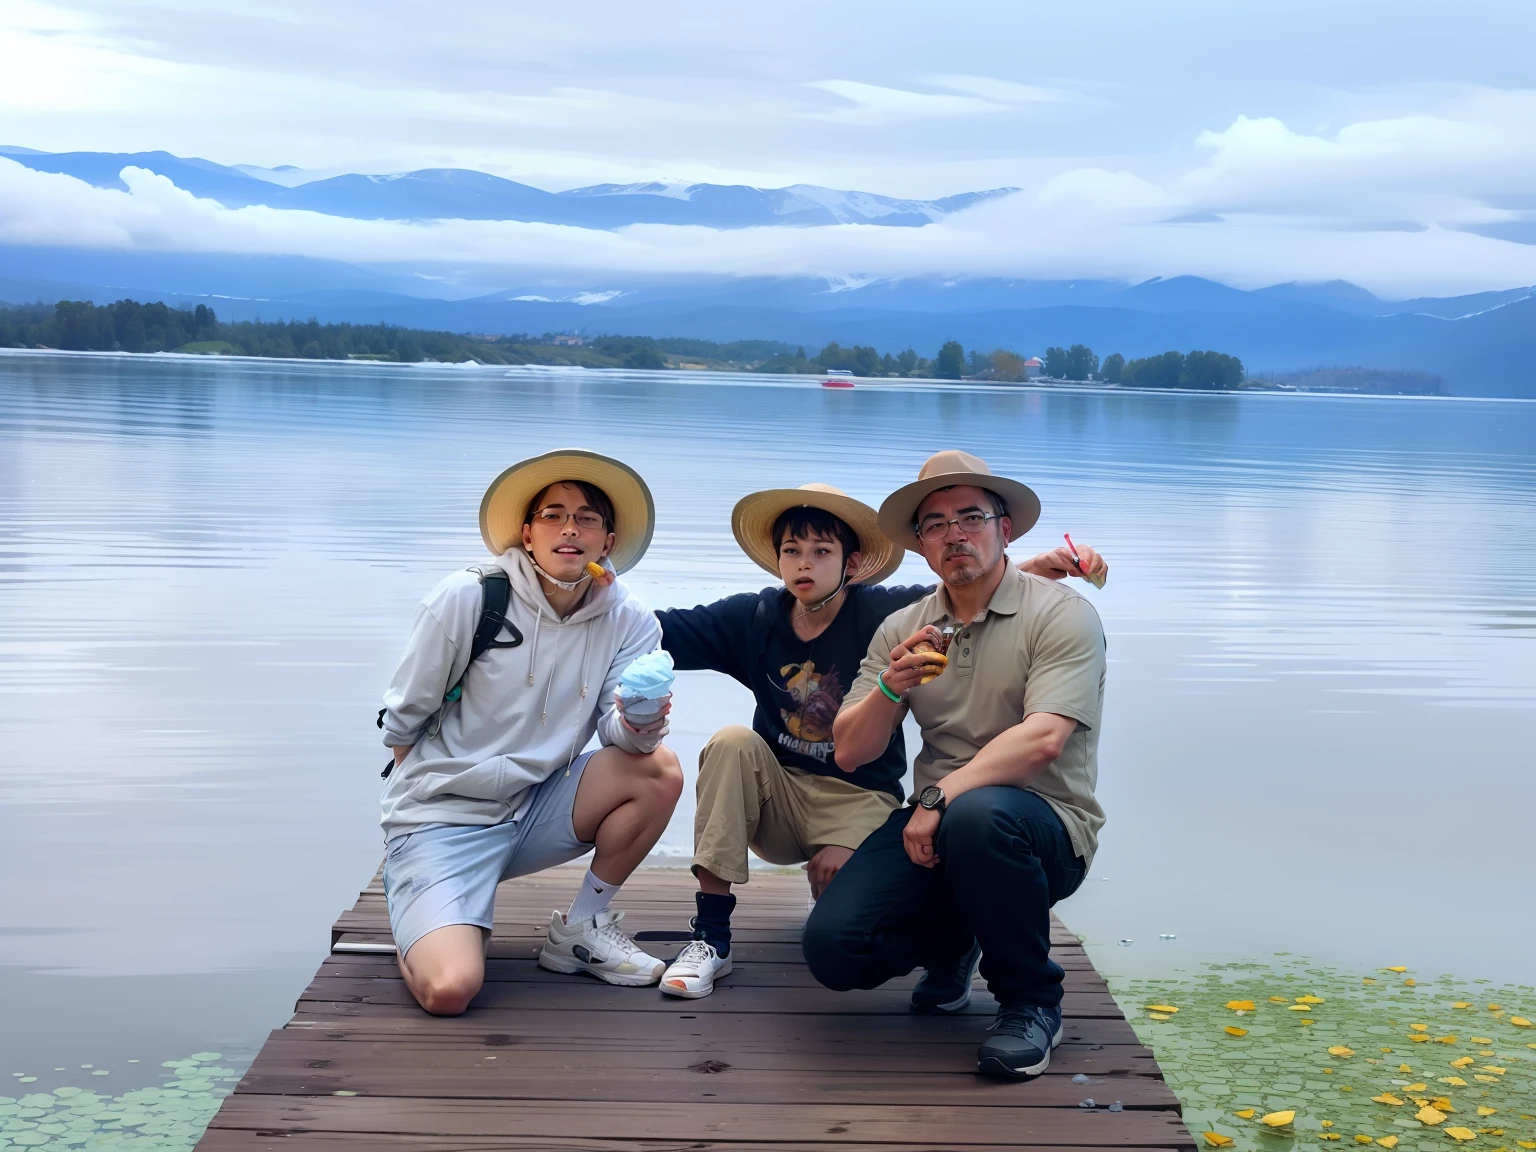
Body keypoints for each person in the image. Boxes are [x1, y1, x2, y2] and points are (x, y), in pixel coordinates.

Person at [646, 482, 1106, 1000]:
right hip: (810, 801)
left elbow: (977, 588)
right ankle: (714, 936)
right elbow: (656, 632)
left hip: (911, 808)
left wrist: (1039, 569)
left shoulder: (888, 613)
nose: (805, 564)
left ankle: (1028, 1002)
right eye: (792, 551)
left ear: (853, 562)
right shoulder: (770, 620)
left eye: (822, 551)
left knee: (981, 819)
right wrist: (584, 600)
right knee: (831, 941)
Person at [802, 450, 1107, 1080]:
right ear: (920, 545)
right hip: (938, 827)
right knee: (834, 951)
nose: (955, 534)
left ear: (1006, 529)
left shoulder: (1061, 613)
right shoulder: (904, 628)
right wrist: (890, 688)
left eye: (971, 516)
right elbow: (850, 751)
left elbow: (1044, 739)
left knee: (979, 816)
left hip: (1042, 828)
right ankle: (962, 934)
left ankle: (1030, 1004)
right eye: (935, 524)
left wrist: (939, 799)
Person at [377, 450, 683, 1016]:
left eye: (587, 517)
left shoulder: (631, 619)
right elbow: (402, 722)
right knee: (450, 991)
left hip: (535, 807)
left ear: (607, 540)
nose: (570, 527)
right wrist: (427, 803)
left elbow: (623, 739)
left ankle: (583, 928)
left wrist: (643, 721)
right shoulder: (469, 597)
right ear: (527, 532)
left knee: (657, 768)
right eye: (553, 514)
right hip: (444, 816)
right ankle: (424, 907)